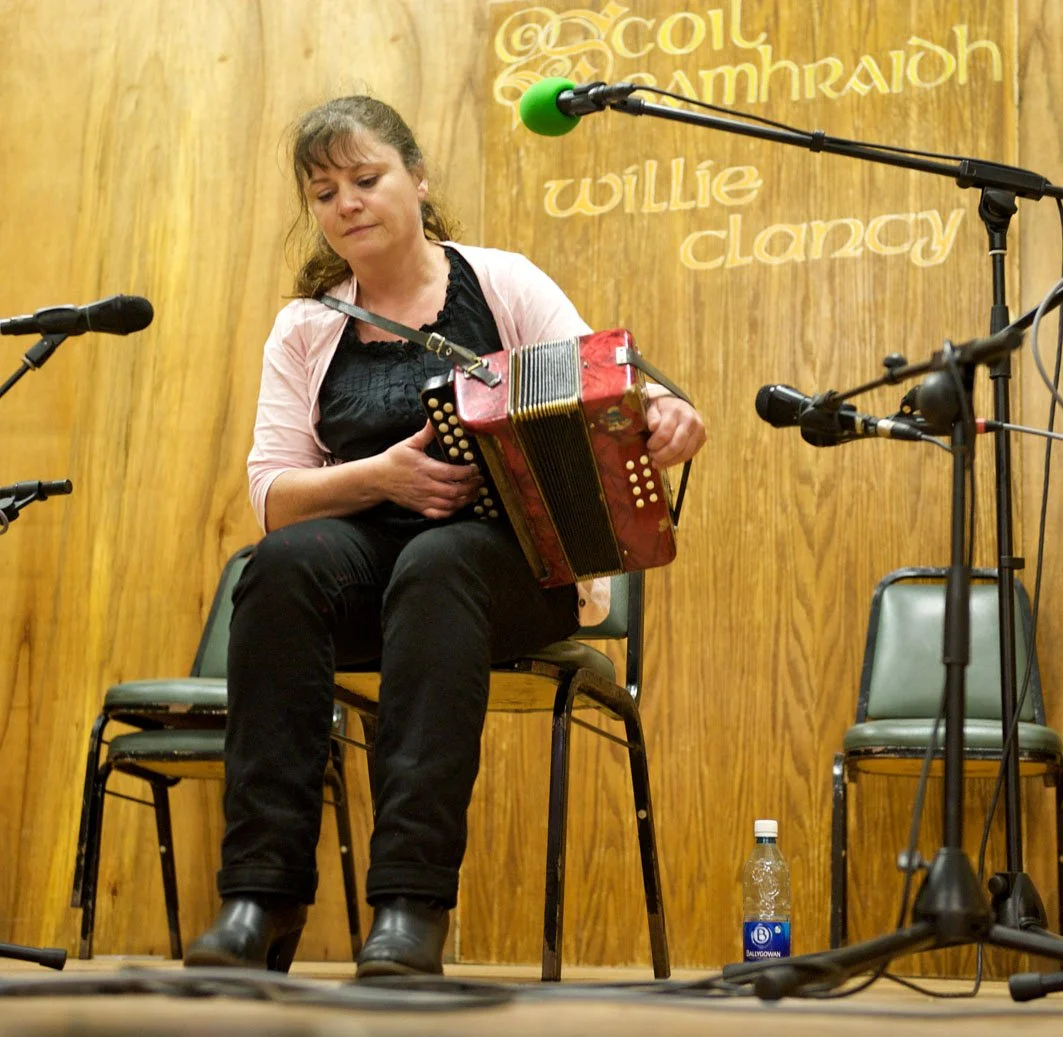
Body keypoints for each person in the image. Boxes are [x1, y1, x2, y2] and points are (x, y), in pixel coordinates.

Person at [184, 94, 706, 978]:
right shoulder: (306, 326)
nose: (344, 202)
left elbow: (604, 392)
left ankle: (408, 903)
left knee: (438, 562)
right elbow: (273, 495)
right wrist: (378, 477)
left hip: (507, 572)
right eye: (322, 191)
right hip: (364, 568)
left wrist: (662, 413)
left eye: (365, 177)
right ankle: (260, 894)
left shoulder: (502, 281)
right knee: (276, 567)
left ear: (417, 180)